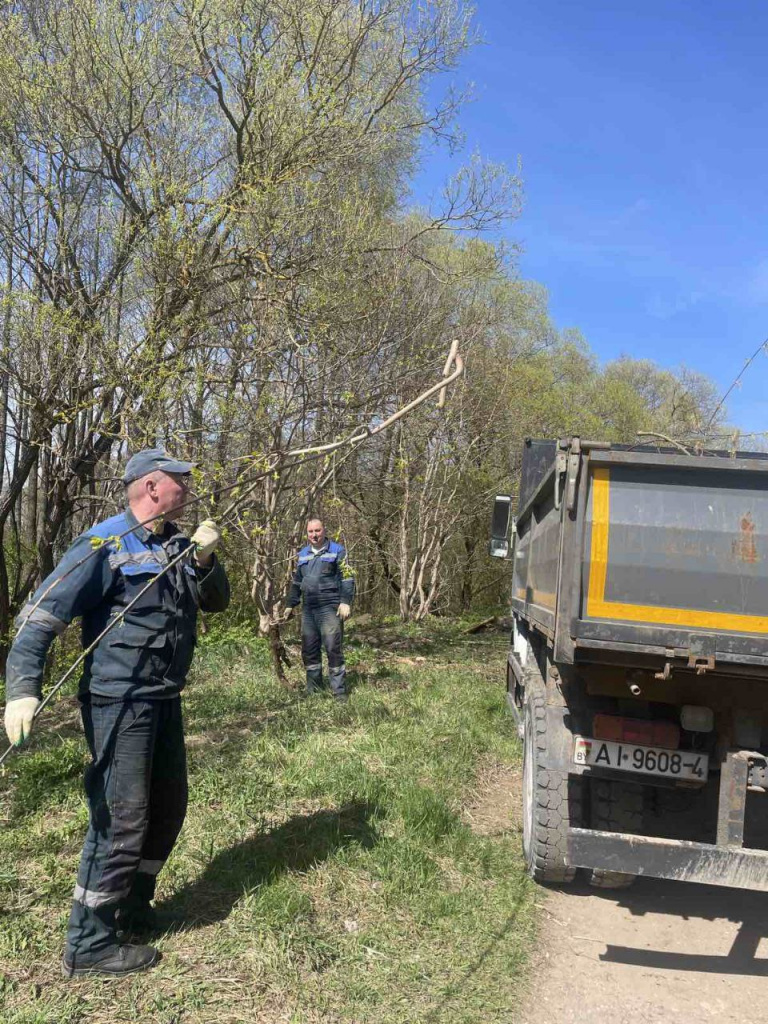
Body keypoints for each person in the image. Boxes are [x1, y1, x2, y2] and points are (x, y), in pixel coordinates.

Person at [3, 448, 230, 978]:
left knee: (168, 807)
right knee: (121, 817)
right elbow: (40, 616)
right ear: (151, 486)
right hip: (118, 701)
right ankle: (89, 940)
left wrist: (204, 561)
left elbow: (214, 602)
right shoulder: (103, 543)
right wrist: (21, 689)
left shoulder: (178, 541)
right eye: (181, 479)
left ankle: (132, 905)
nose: (189, 486)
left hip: (162, 697)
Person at [285, 518, 354, 701]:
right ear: (306, 533)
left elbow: (347, 578)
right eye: (310, 532)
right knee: (309, 649)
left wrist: (345, 601)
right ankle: (314, 690)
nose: (314, 535)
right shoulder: (303, 554)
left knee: (332, 647)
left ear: (324, 531)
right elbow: (297, 582)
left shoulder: (337, 551)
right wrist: (290, 605)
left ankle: (339, 692)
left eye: (317, 531)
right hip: (309, 608)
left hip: (330, 607)